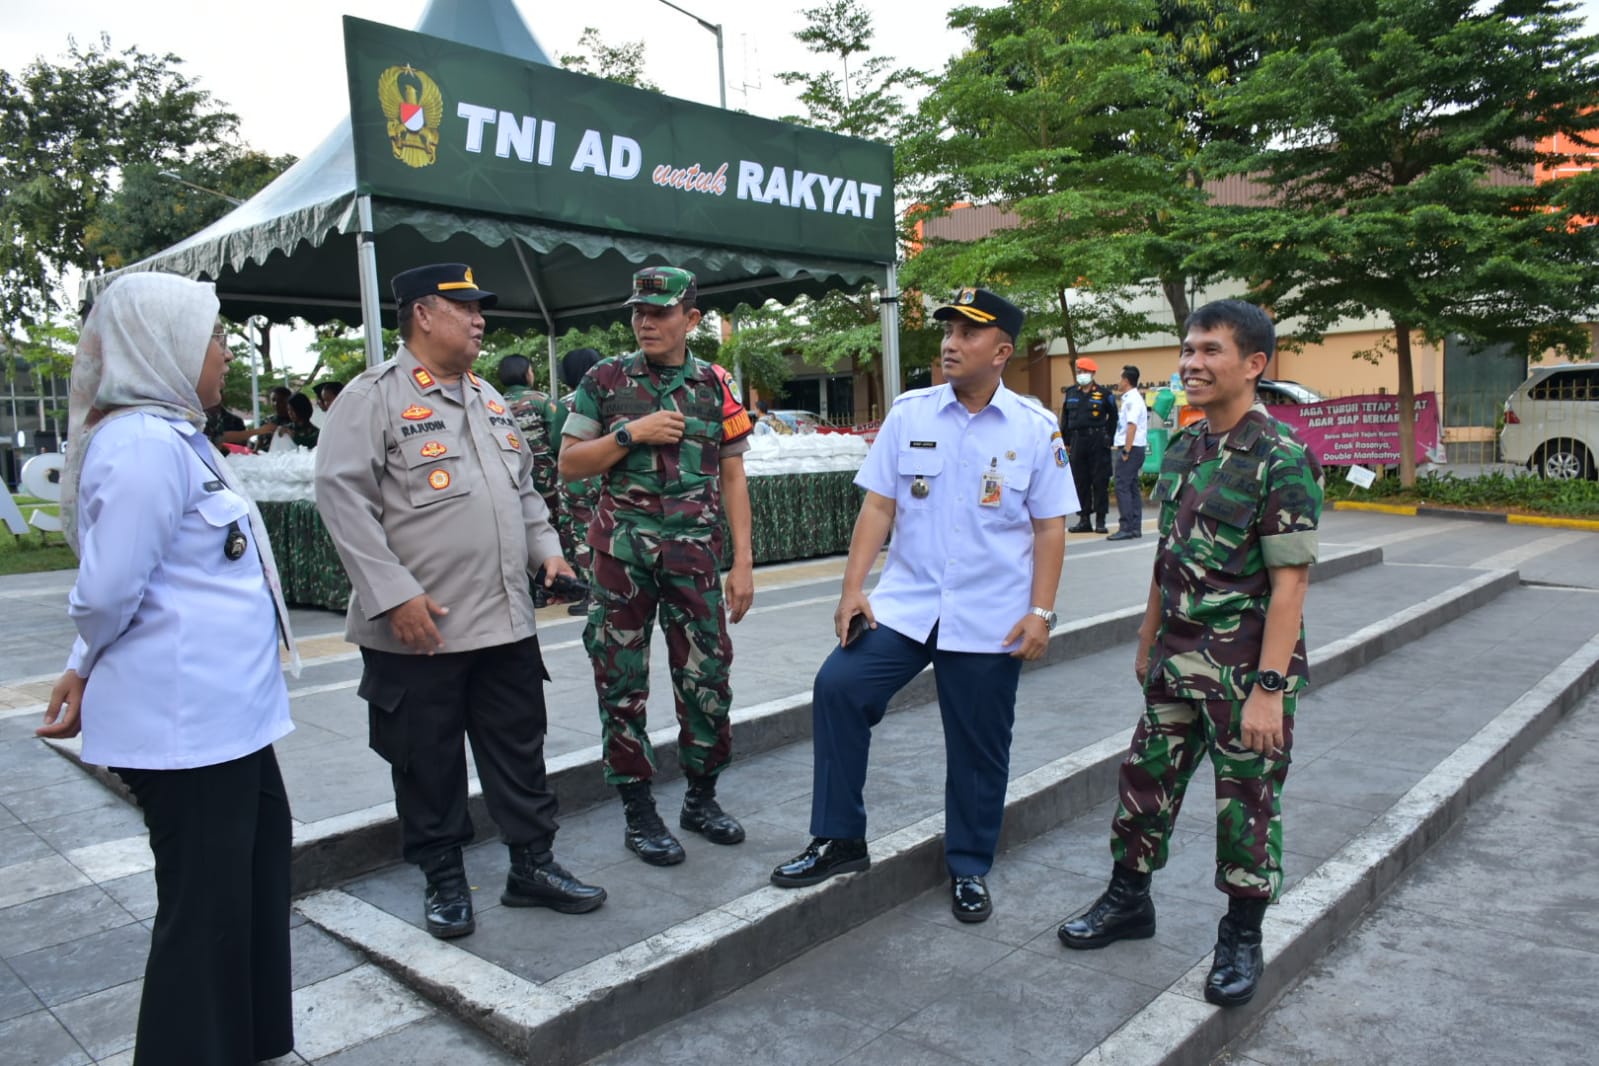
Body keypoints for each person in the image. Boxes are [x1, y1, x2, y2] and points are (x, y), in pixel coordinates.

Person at [38, 272, 300, 1065]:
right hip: (189, 728)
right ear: (166, 348)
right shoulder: (144, 446)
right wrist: (85, 663)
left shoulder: (176, 434)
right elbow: (110, 587)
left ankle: (246, 1043)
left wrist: (82, 666)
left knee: (248, 892)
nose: (222, 354)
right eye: (213, 338)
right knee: (205, 913)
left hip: (230, 720)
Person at [315, 262, 605, 940]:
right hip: (421, 630)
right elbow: (341, 499)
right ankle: (443, 877)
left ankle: (532, 866)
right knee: (427, 761)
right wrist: (392, 595)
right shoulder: (372, 397)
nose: (479, 319)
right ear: (422, 313)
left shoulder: (488, 398)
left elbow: (524, 491)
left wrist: (548, 550)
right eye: (465, 307)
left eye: (481, 307)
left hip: (504, 621)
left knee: (519, 751)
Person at [769, 286, 1075, 923]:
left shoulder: (1035, 429)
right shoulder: (910, 415)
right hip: (907, 607)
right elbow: (878, 505)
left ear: (1001, 350)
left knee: (979, 745)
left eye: (967, 333)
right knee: (839, 687)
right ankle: (840, 837)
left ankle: (968, 865)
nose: (950, 343)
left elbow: (1050, 527)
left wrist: (1041, 612)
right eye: (948, 331)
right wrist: (853, 588)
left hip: (991, 615)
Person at [1055, 299, 1323, 1009]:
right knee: (1142, 785)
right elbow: (1165, 560)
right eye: (1187, 349)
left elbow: (1289, 584)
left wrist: (1269, 688)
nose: (1191, 363)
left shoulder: (1282, 459)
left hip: (1243, 673)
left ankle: (1240, 935)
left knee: (1246, 807)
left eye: (1209, 350)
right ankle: (1127, 901)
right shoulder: (1184, 448)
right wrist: (1145, 640)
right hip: (1175, 660)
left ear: (1254, 364)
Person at [559, 266, 755, 867]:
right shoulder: (605, 379)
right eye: (639, 311)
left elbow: (732, 474)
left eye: (661, 311)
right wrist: (629, 433)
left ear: (691, 319)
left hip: (694, 559)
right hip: (622, 560)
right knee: (621, 685)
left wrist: (742, 562)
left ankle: (701, 797)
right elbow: (570, 463)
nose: (646, 321)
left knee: (707, 681)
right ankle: (638, 810)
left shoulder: (714, 384)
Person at [498, 353, 564, 607]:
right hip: (547, 481)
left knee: (519, 534)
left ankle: (532, 592)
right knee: (551, 532)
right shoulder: (542, 401)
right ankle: (554, 589)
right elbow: (559, 441)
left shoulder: (495, 404)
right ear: (527, 374)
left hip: (511, 481)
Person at [553, 347, 602, 615]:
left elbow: (556, 442)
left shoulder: (565, 403)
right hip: (603, 473)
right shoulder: (610, 394)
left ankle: (593, 594)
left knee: (583, 533)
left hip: (577, 478)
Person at [1060, 356, 1117, 533]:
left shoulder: (1104, 394)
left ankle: (1100, 520)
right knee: (1080, 480)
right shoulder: (1071, 393)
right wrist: (1066, 441)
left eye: (1084, 372)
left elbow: (1114, 417)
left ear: (1092, 373)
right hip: (1077, 441)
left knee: (1099, 480)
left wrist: (1108, 437)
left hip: (1097, 440)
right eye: (1079, 372)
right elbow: (1066, 419)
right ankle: (1084, 519)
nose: (1081, 375)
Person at [1106, 365, 1149, 541]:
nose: (1118, 382)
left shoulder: (1132, 400)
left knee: (1122, 486)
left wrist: (1126, 450)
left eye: (1120, 378)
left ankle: (1126, 527)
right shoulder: (1132, 398)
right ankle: (1134, 527)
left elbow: (1132, 426)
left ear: (1126, 380)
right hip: (1135, 448)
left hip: (1130, 448)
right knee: (1131, 487)